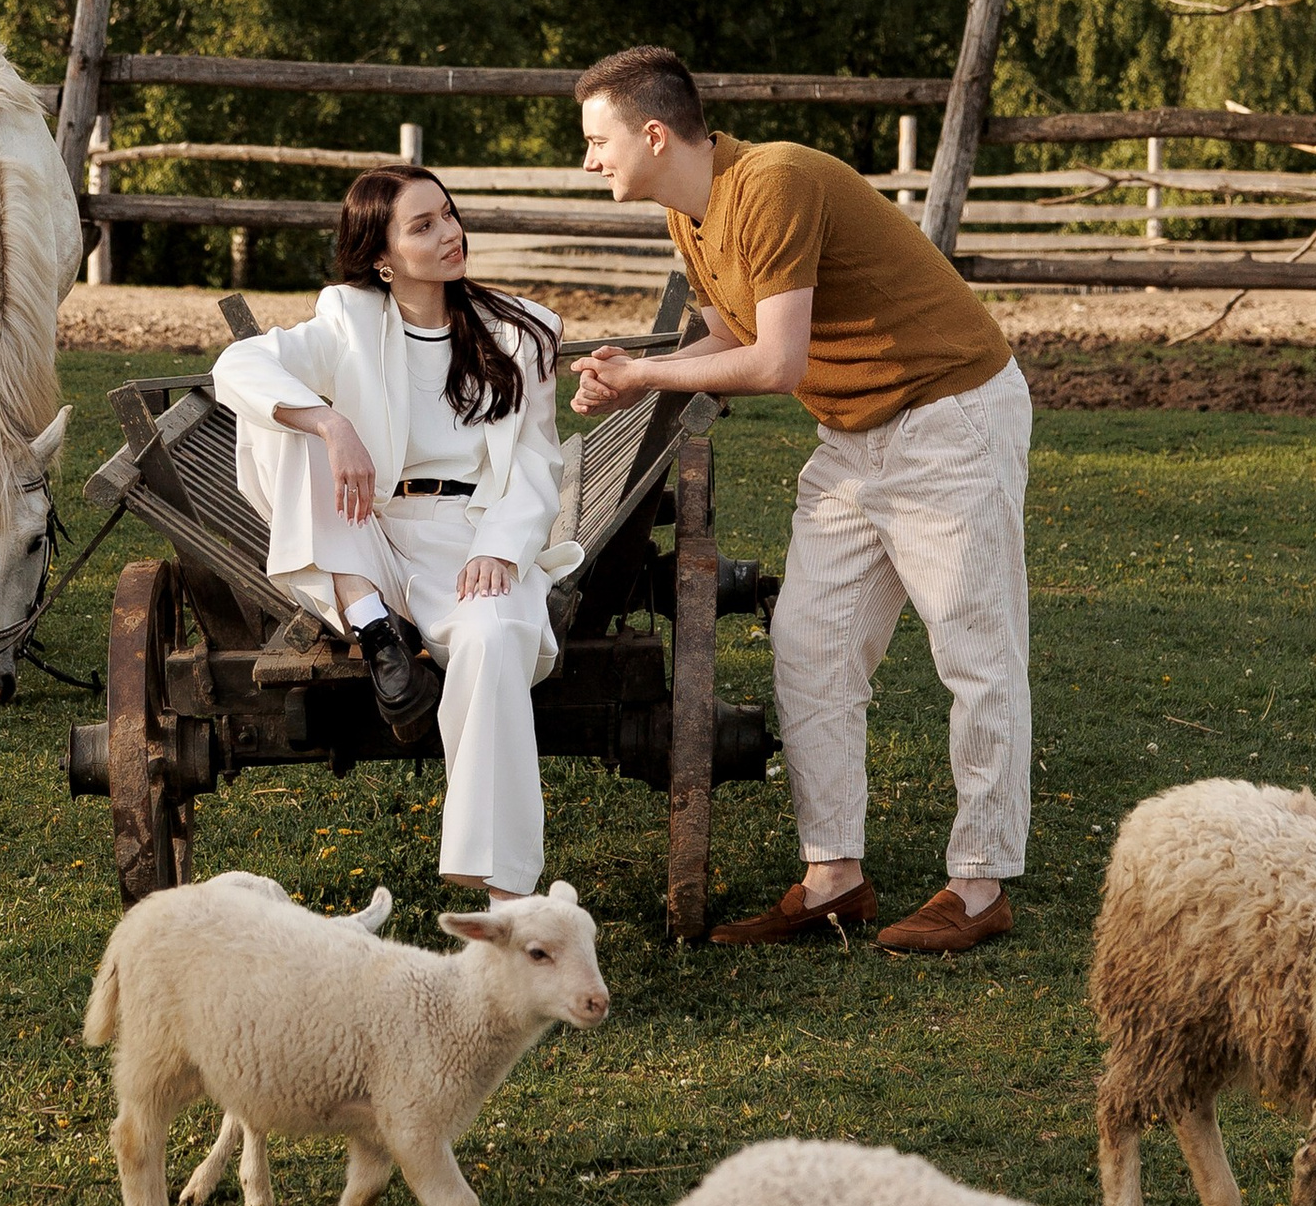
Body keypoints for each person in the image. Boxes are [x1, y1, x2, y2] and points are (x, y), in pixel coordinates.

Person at [568, 47, 1029, 953]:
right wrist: (633, 373)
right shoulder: (689, 214)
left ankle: (980, 884)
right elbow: (729, 341)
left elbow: (776, 363)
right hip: (852, 433)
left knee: (976, 651)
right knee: (809, 642)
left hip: (948, 414)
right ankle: (833, 880)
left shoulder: (771, 182)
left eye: (597, 141)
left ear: (653, 134)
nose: (589, 161)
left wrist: (646, 377)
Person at [212, 167, 583, 899]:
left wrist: (499, 548)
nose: (450, 234)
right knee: (291, 423)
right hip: (368, 534)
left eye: (448, 215)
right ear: (381, 258)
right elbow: (239, 364)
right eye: (423, 226)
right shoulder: (347, 320)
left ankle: (504, 897)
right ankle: (372, 622)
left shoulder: (522, 331)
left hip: (472, 534)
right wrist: (330, 421)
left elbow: (537, 462)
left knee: (495, 638)